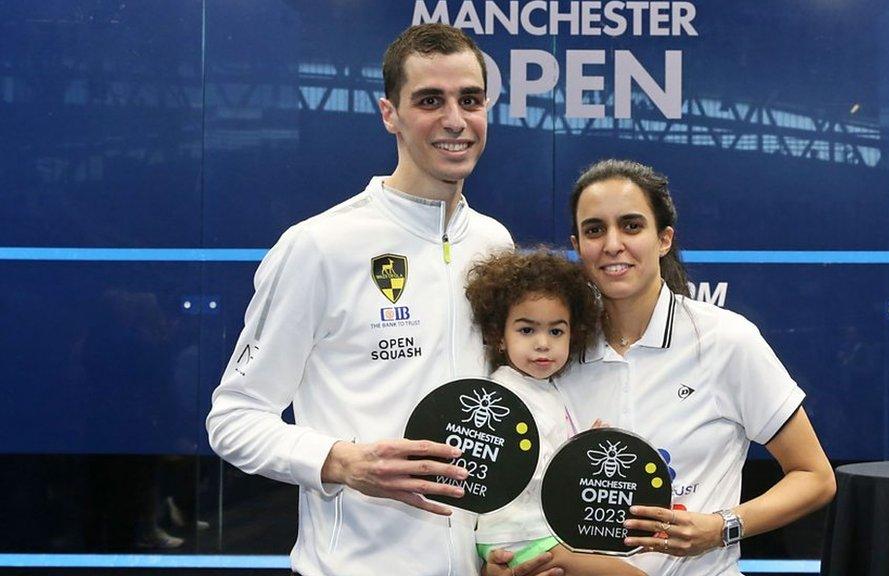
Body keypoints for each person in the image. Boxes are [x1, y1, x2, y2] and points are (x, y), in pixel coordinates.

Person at [206, 24, 559, 576]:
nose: (454, 120)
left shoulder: (494, 241)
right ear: (388, 113)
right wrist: (344, 462)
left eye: (470, 100)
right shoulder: (319, 246)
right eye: (429, 101)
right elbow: (233, 419)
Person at [557, 159, 836, 575]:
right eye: (595, 230)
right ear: (577, 245)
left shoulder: (724, 340)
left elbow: (815, 477)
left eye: (632, 226)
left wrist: (721, 527)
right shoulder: (557, 352)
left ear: (664, 238)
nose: (612, 244)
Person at [466, 250, 645, 576]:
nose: (543, 344)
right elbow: (532, 470)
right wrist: (579, 459)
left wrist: (583, 447)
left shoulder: (545, 389)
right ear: (498, 336)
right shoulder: (505, 394)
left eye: (556, 331)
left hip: (537, 534)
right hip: (521, 537)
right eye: (526, 330)